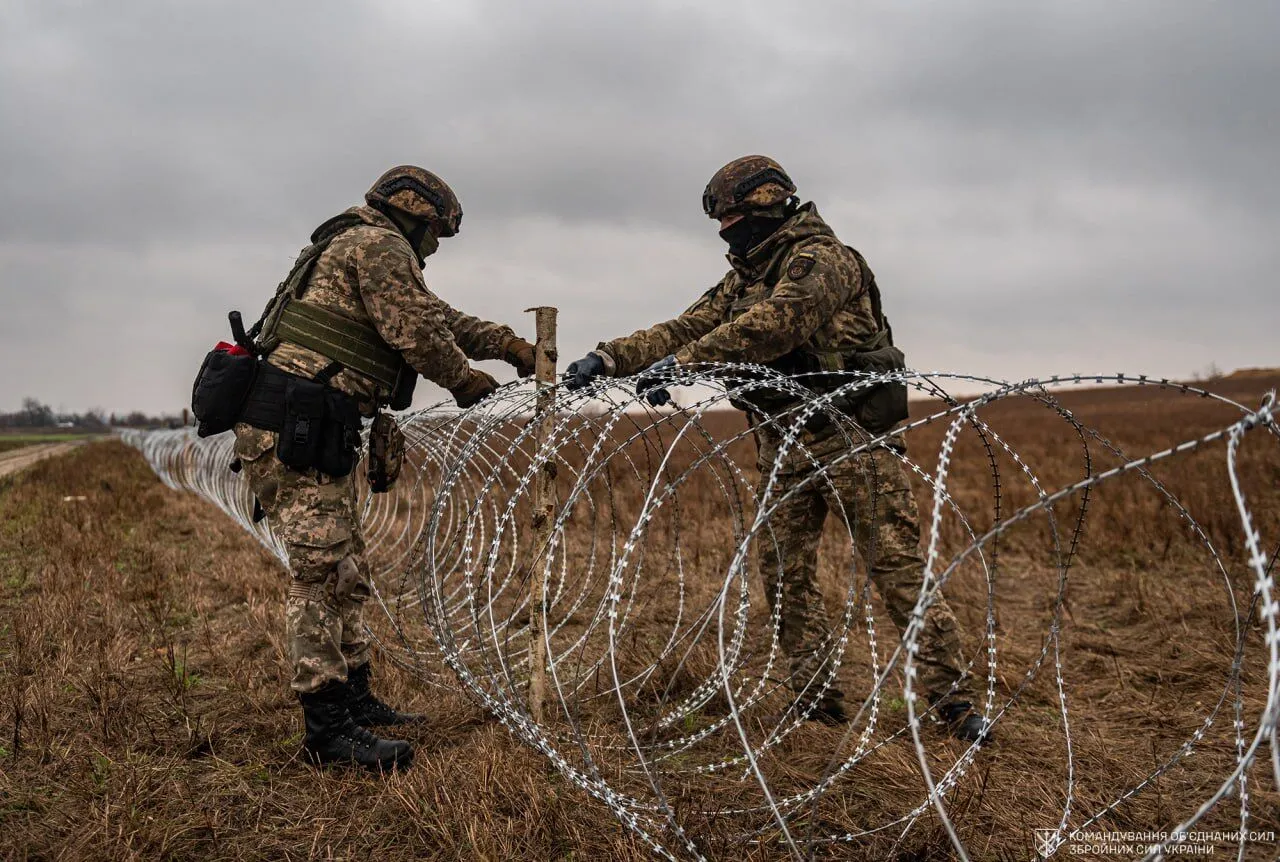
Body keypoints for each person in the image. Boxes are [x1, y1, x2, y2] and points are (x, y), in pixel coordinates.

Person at [564, 156, 988, 742]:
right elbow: (685, 327)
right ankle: (815, 697)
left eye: (733, 217)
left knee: (895, 569)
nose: (724, 231)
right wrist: (611, 357)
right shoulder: (745, 275)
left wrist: (685, 365)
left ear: (767, 206)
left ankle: (954, 702)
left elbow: (777, 324)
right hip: (782, 441)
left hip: (849, 439)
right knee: (785, 572)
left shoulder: (823, 260)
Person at [232, 165, 536, 771]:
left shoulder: (362, 243)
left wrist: (507, 344)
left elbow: (435, 316)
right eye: (436, 235)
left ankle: (355, 701)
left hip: (316, 429)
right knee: (319, 574)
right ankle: (328, 732)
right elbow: (418, 334)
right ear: (417, 217)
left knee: (345, 566)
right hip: (296, 430)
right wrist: (469, 381)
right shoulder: (379, 245)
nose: (434, 249)